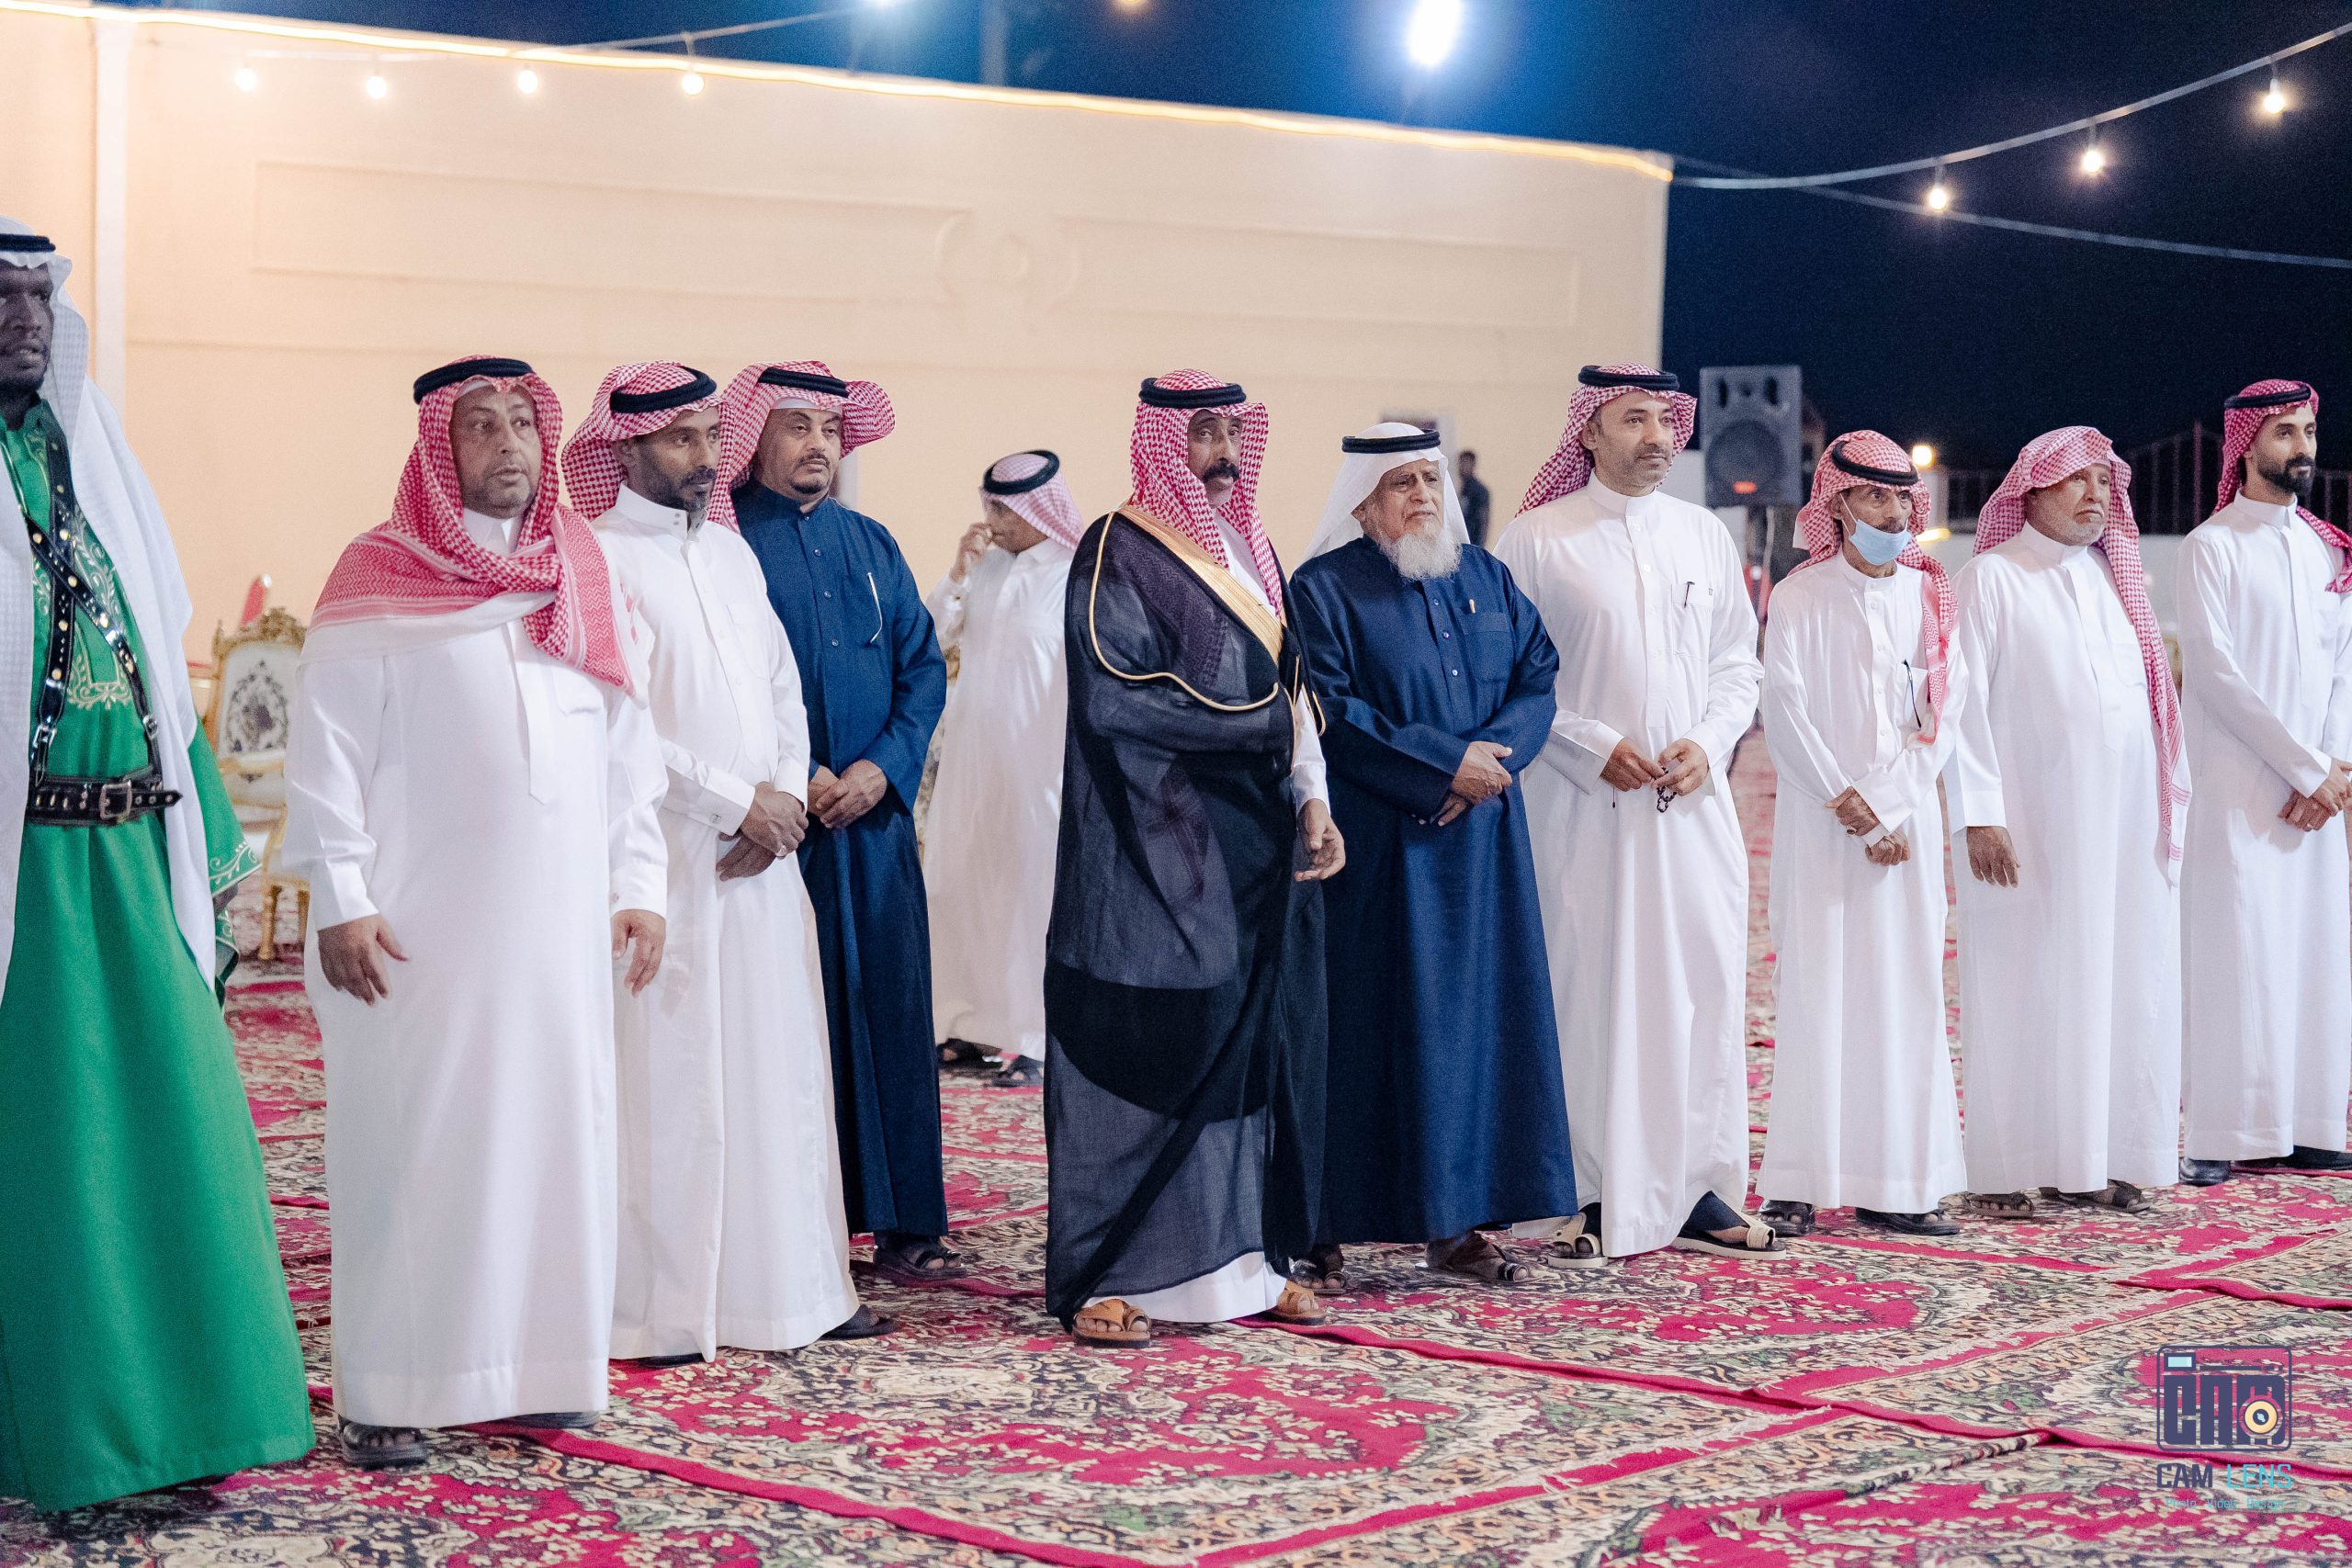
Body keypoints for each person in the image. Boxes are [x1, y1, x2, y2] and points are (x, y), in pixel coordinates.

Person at [284, 355, 669, 1467]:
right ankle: (389, 1389)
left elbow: (628, 753)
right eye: (481, 427)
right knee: (416, 1149)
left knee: (557, 1141)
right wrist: (342, 898)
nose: (508, 445)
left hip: (559, 933)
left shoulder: (580, 572)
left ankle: (541, 1373)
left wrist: (640, 886)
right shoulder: (377, 574)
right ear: (438, 451)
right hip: (416, 937)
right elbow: (327, 755)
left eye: (522, 424)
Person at [0, 221, 311, 1509]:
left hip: (135, 860)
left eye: (37, 297)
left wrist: (215, 846)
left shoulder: (95, 463)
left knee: (179, 1141)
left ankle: (186, 1423)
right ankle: (75, 1438)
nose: (22, 317)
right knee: (55, 1159)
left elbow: (159, 664)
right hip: (23, 887)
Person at [565, 362, 885, 1359]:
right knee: (675, 1080)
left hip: (764, 859)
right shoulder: (596, 556)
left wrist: (780, 798)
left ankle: (789, 1292)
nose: (706, 457)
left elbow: (782, 690)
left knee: (777, 1075)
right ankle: (667, 1309)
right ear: (625, 448)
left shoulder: (733, 555)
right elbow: (616, 723)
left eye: (711, 436)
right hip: (664, 861)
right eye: (682, 439)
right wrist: (733, 801)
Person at [1045, 369, 1344, 1346]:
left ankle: (1247, 1265)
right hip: (1157, 849)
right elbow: (1115, 695)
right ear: (1163, 443)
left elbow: (1296, 693)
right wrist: (1258, 728)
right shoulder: (1115, 549)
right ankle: (1113, 1270)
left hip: (1260, 846)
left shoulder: (1254, 552)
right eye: (1203, 433)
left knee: (1256, 1050)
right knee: (1157, 1048)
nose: (1222, 454)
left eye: (1232, 434)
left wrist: (1312, 796)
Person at [1492, 364, 1779, 1265]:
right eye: (1633, 419)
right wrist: (1590, 745)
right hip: (1581, 813)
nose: (1656, 436)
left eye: (1663, 418)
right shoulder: (1535, 539)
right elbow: (1509, 679)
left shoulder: (1701, 534)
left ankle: (1698, 1186)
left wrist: (1709, 739)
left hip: (1690, 808)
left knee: (1699, 990)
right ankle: (1583, 1188)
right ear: (1587, 432)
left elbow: (1738, 662)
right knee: (1591, 992)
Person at [1286, 423, 1576, 1288]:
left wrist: (1490, 761)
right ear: (1362, 501)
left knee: (1476, 1036)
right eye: (1401, 483)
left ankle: (1458, 1224)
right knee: (1366, 1033)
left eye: (1430, 480)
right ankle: (1326, 1221)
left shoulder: (1485, 576)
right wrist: (1443, 764)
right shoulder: (1323, 588)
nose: (1421, 496)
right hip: (1382, 853)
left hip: (1483, 853)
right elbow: (1328, 709)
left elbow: (1539, 674)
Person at [719, 360, 958, 1286]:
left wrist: (881, 767)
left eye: (829, 428)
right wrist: (800, 773)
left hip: (873, 826)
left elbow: (922, 670)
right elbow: (727, 683)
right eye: (796, 426)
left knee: (888, 1005)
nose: (818, 444)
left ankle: (905, 1220)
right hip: (777, 828)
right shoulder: (726, 544)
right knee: (794, 1018)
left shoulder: (873, 543)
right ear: (755, 438)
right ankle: (799, 1223)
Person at [1947, 426, 2187, 1220]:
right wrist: (1981, 814)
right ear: (2031, 490)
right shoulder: (1990, 579)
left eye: (2104, 482)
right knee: (2022, 984)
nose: (2095, 495)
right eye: (2076, 480)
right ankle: (2006, 1167)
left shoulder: (2114, 580)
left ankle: (2091, 1161)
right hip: (2029, 830)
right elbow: (1960, 708)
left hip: (2119, 828)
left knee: (2117, 984)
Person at [1755, 432, 1966, 1239]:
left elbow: (1943, 718)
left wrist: (1887, 808)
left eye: (1902, 496)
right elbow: (1786, 713)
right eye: (1875, 496)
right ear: (1838, 502)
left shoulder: (1930, 597)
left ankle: (1899, 1182)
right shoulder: (1799, 596)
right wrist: (1852, 808)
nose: (1893, 511)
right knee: (1817, 992)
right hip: (1822, 829)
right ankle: (1799, 1181)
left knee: (1904, 997)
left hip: (1905, 832)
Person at [2177, 380, 2352, 1184]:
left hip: (2316, 802)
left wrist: (2333, 770)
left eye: (2308, 430)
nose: (2302, 447)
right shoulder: (2210, 546)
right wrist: (2306, 768)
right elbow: (2217, 676)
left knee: (2314, 957)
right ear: (2246, 445)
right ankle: (2221, 1132)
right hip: (2240, 792)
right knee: (2236, 958)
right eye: (2284, 432)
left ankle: (2309, 1124)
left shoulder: (2327, 551)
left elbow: (2343, 670)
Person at [924, 450, 1083, 1089]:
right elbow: (932, 637)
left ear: (1038, 510)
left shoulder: (1076, 575)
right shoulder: (985, 567)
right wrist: (959, 572)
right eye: (988, 505)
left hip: (1040, 765)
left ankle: (1034, 1038)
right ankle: (964, 1024)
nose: (991, 520)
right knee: (960, 883)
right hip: (972, 760)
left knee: (1031, 895)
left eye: (1003, 510)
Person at [1457, 447, 1493, 547]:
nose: (1462, 467)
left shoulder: (1479, 490)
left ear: (1473, 464)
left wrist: (1480, 547)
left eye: (1466, 463)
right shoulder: (1462, 488)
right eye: (1461, 462)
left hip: (1474, 543)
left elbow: (1483, 520)